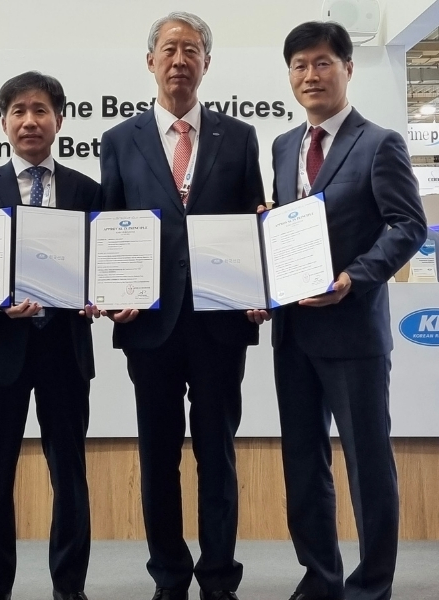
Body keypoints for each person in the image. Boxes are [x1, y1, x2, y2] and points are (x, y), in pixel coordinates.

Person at [99, 12, 264, 600]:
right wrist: (112, 294)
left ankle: (218, 577)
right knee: (158, 458)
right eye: (168, 49)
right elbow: (111, 227)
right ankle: (169, 576)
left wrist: (259, 289)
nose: (179, 60)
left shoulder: (239, 137)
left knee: (218, 455)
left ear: (206, 63)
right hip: (151, 327)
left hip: (221, 324)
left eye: (191, 50)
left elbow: (254, 221)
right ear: (150, 61)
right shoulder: (119, 141)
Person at [267, 21, 426, 600]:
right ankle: (321, 577)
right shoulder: (284, 146)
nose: (311, 75)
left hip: (353, 332)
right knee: (303, 464)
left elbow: (408, 225)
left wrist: (353, 278)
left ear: (347, 69)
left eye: (322, 63)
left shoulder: (379, 143)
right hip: (293, 332)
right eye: (300, 65)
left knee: (367, 464)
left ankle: (372, 585)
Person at [0, 72, 101, 600]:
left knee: (70, 473)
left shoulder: (88, 191)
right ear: (3, 122)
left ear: (59, 119)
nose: (29, 121)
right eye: (17, 111)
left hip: (65, 348)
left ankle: (70, 587)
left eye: (40, 110)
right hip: (1, 348)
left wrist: (99, 293)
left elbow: (101, 266)